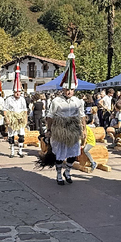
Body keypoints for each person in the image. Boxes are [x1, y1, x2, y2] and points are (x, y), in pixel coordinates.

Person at [44, 47, 86, 185]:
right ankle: (58, 174)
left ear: (74, 90)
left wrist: (84, 129)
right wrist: (49, 129)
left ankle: (67, 172)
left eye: (71, 89)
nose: (69, 91)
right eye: (67, 89)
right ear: (63, 88)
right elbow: (50, 116)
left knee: (73, 153)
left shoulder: (78, 101)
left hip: (73, 129)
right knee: (59, 153)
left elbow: (82, 116)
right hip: (60, 129)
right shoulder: (56, 101)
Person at [3, 70, 29, 158]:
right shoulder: (9, 99)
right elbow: (5, 109)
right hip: (12, 119)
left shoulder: (22, 99)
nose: (18, 93)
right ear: (13, 92)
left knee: (21, 136)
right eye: (16, 92)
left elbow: (25, 110)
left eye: (19, 92)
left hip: (20, 119)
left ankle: (20, 151)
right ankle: (12, 151)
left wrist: (25, 119)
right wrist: (7, 119)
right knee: (11, 136)